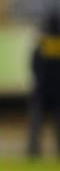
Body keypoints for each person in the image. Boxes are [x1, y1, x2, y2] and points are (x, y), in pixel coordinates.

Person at [27, 11, 60, 158]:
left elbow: (34, 66)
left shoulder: (41, 45)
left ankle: (33, 151)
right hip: (58, 92)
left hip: (41, 92)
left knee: (36, 125)